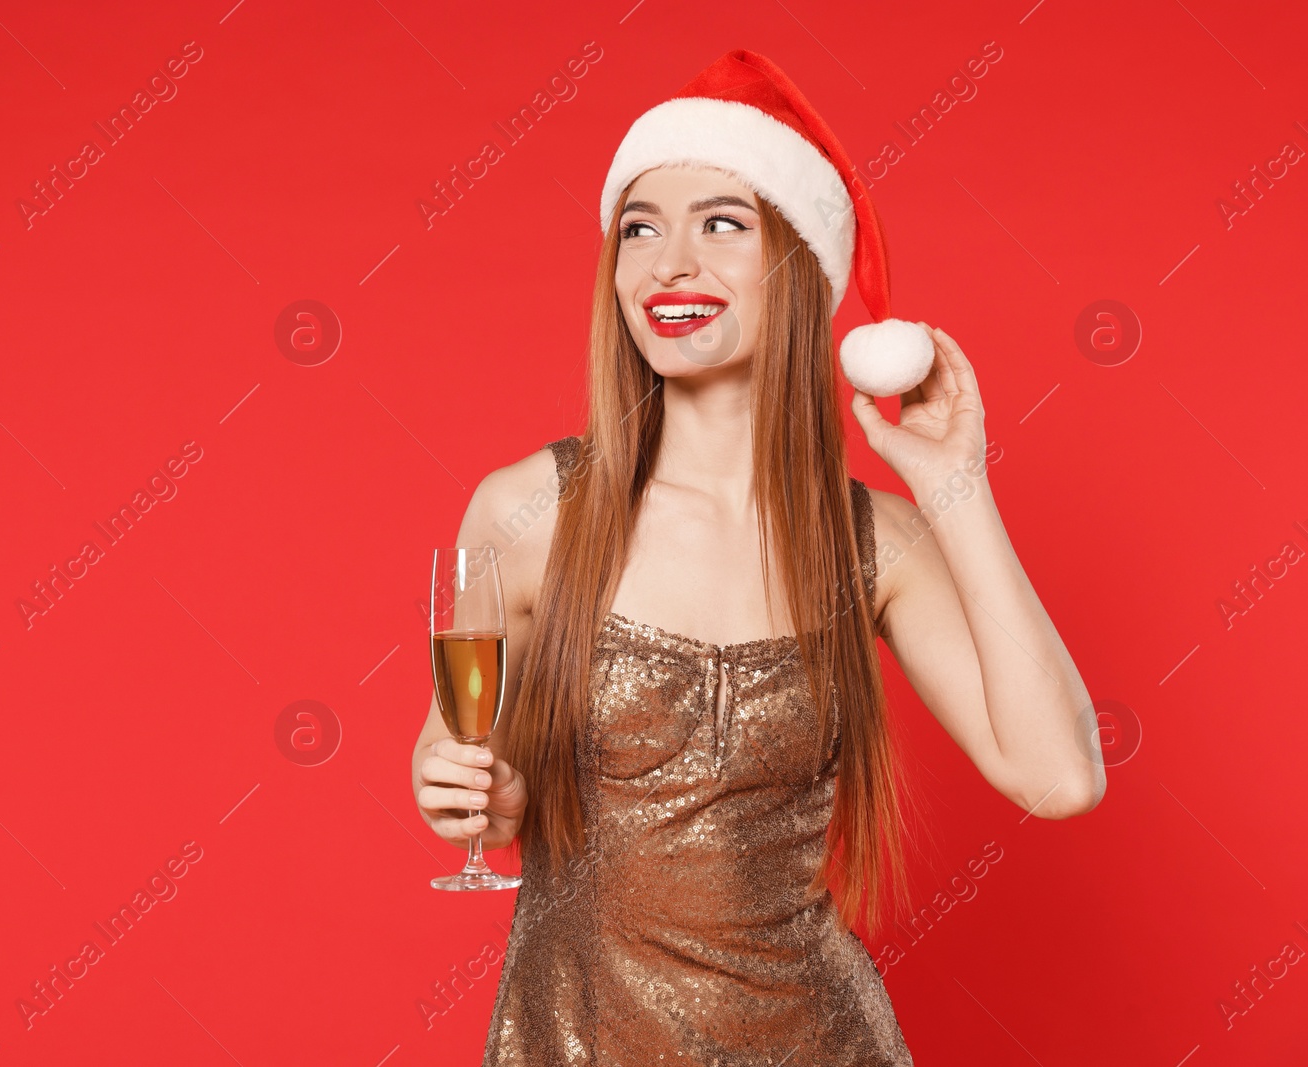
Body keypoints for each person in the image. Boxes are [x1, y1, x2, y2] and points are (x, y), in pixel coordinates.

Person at [409, 49, 1105, 1066]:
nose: (665, 263)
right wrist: (468, 792)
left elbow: (1060, 773)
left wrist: (955, 484)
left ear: (799, 265)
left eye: (719, 224)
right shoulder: (528, 511)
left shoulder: (874, 543)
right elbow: (455, 760)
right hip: (575, 1036)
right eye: (639, 228)